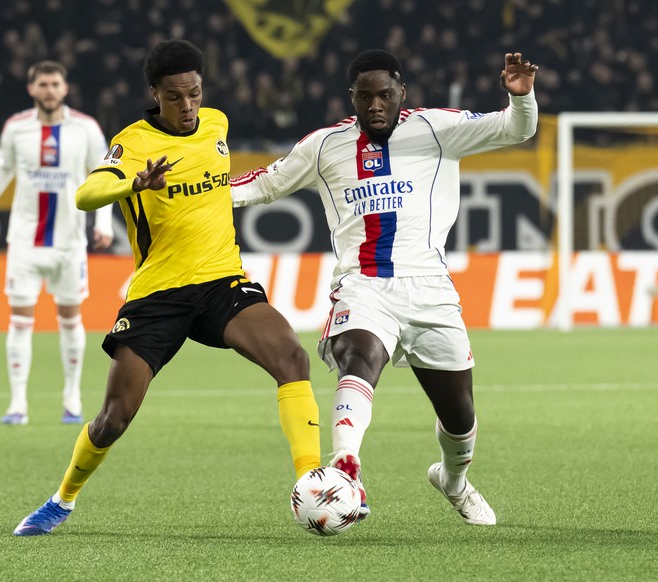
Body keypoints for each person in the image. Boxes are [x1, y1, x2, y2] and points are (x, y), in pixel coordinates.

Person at [11, 40, 321, 536]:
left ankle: (313, 482)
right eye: (174, 97)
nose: (187, 106)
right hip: (159, 294)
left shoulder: (217, 124)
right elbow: (86, 193)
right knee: (114, 418)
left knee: (292, 358)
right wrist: (133, 184)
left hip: (222, 281)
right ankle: (62, 499)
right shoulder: (132, 143)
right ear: (155, 94)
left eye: (194, 93)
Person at [231, 50, 539, 525]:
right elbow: (263, 184)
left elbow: (515, 129)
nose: (375, 105)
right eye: (364, 96)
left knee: (459, 417)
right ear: (351, 98)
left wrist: (521, 98)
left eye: (384, 95)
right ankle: (347, 469)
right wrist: (194, 192)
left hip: (430, 290)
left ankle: (453, 480)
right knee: (360, 357)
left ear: (402, 93)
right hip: (363, 285)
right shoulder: (326, 145)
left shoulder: (438, 128)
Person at [0, 60, 113, 426]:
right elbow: (2, 170)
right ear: (31, 89)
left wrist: (103, 221)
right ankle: (17, 404)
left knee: (70, 318)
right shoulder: (16, 128)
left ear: (65, 88)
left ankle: (72, 400)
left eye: (54, 84)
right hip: (25, 241)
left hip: (70, 241)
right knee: (20, 318)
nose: (48, 90)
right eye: (42, 84)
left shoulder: (86, 128)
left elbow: (105, 174)